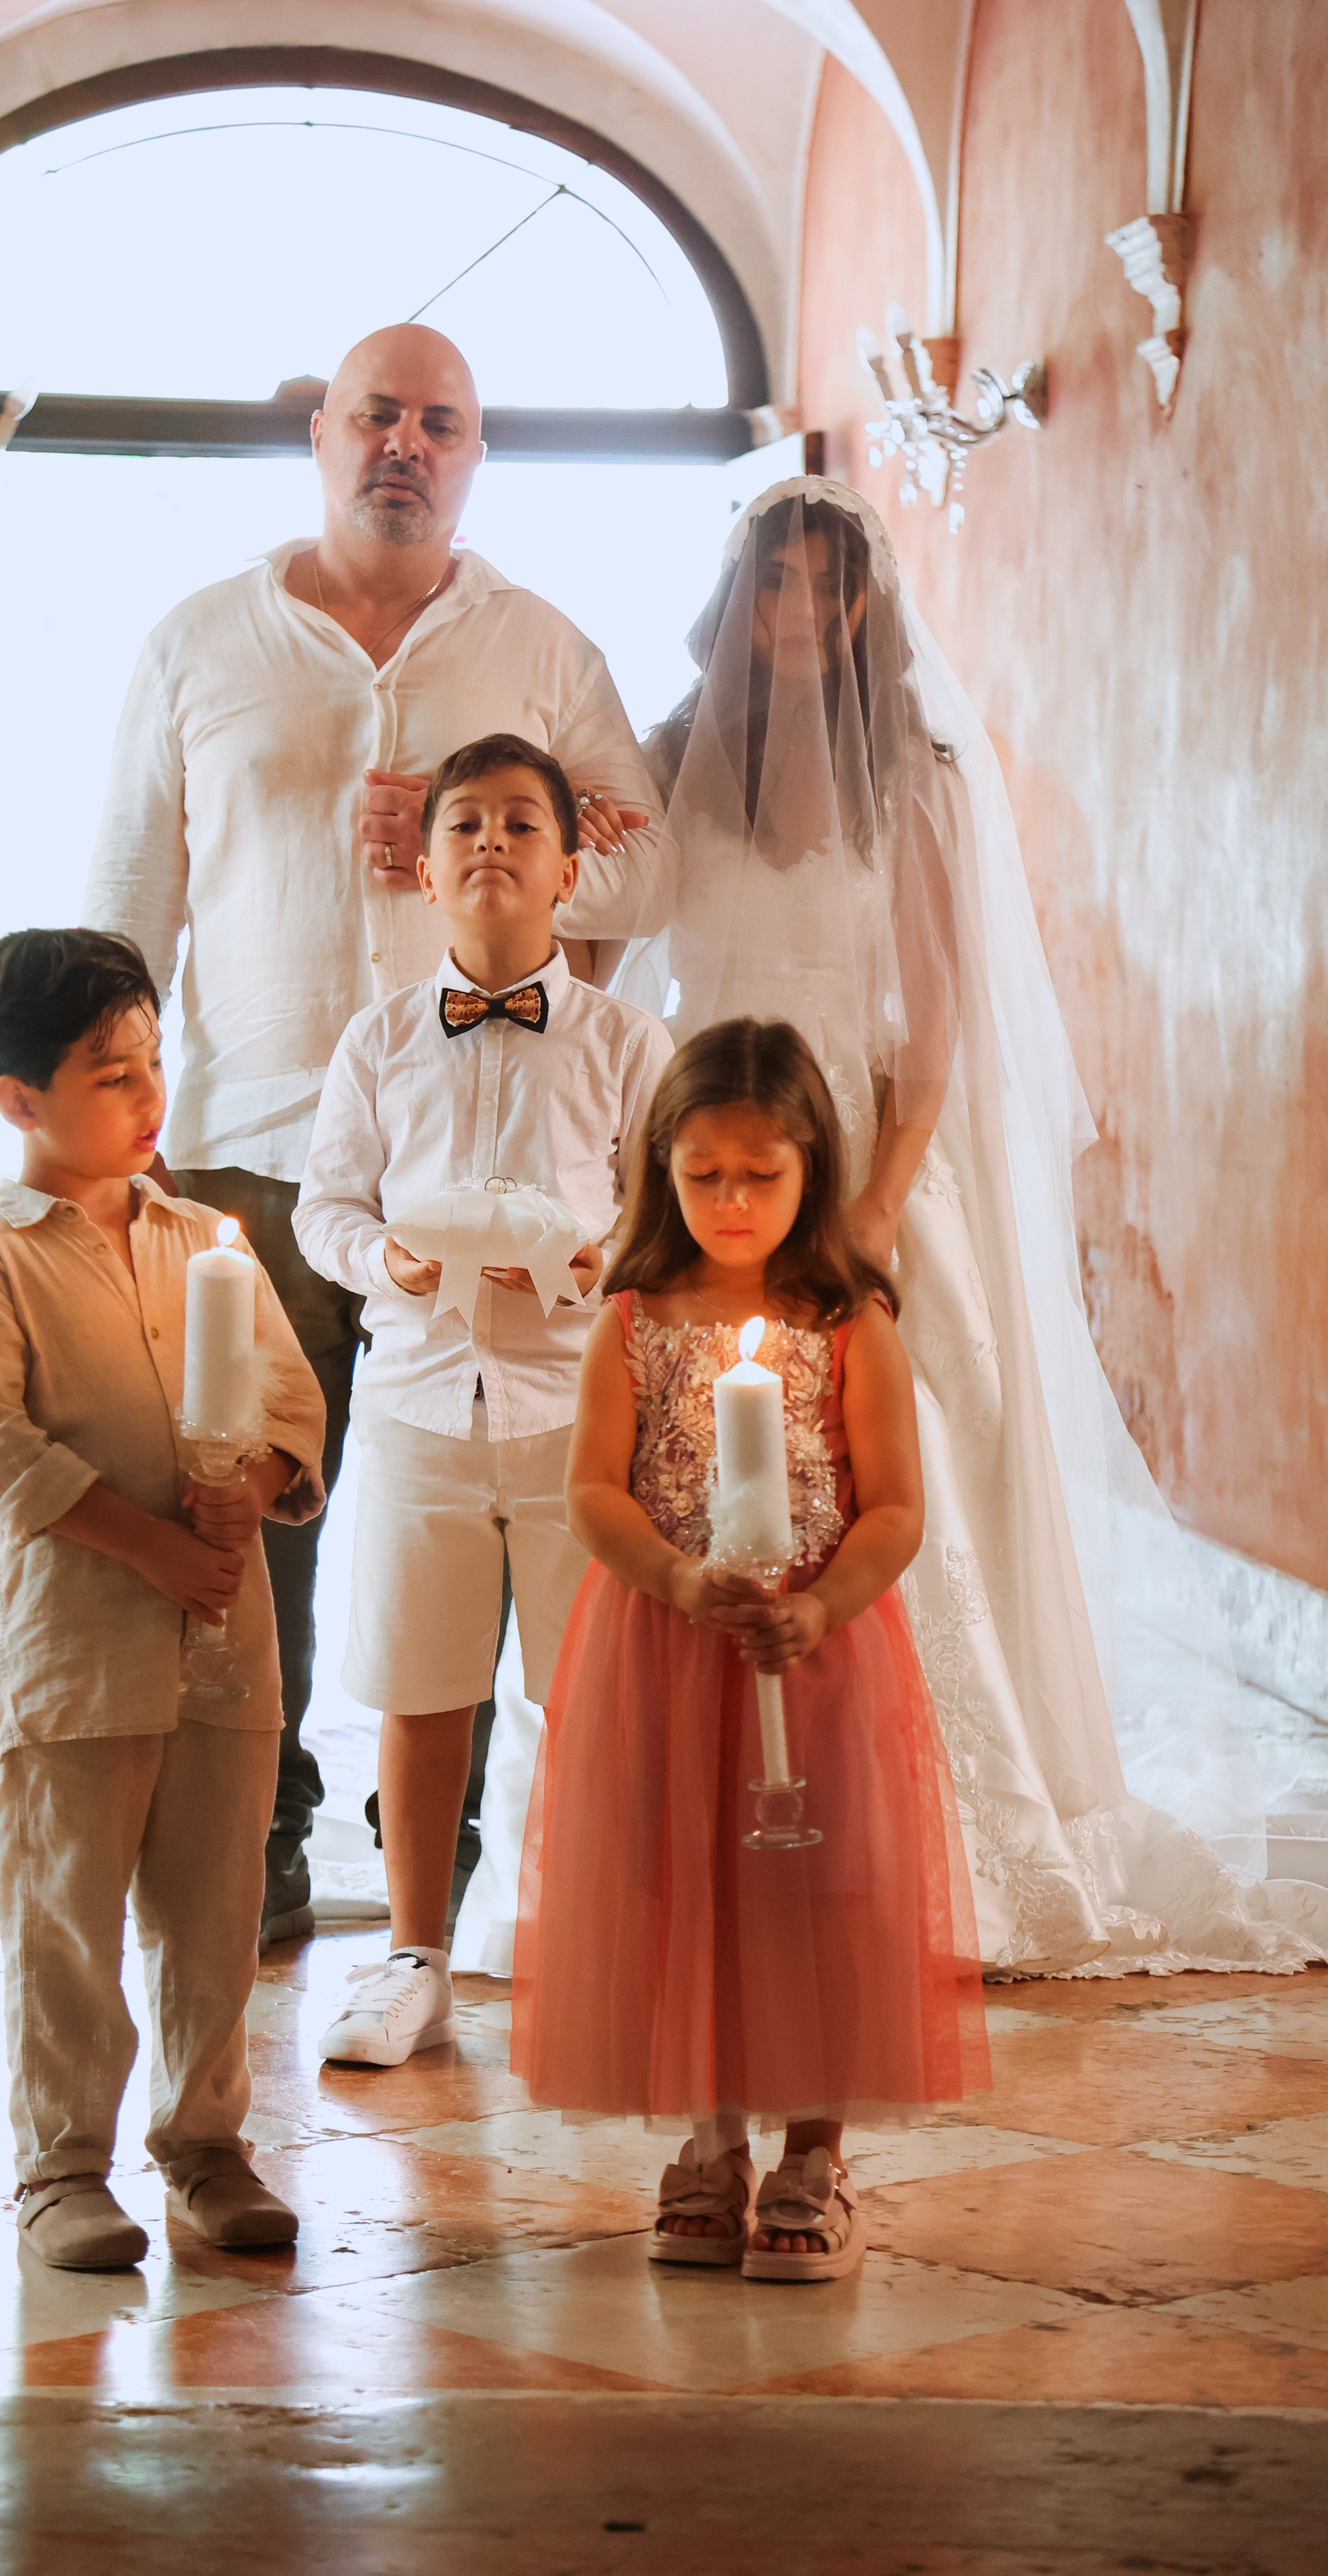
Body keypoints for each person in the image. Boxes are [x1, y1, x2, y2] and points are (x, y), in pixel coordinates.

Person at [621, 475, 1317, 1976]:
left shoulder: (915, 776)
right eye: (774, 585)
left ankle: (955, 1843)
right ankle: (728, 1816)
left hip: (861, 1153)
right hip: (710, 1153)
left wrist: (874, 1206)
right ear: (736, 599)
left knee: (907, 1462)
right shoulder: (674, 757)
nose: (798, 612)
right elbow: (605, 925)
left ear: (862, 604)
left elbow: (934, 1033)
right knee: (700, 1465)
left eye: (825, 586)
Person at [83, 323, 673, 1946]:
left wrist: (464, 830)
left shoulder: (541, 647)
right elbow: (129, 899)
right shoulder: (199, 641)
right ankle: (255, 1842)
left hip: (479, 1174)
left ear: (474, 453)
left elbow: (645, 874)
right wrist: (112, 1130)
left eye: (439, 422)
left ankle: (446, 1872)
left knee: (475, 1511)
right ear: (322, 437)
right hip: (248, 1150)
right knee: (250, 1502)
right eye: (374, 417)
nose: (403, 444)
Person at [512, 1019, 989, 2274]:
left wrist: (822, 1607)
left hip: (818, 1653)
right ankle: (711, 2137)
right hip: (662, 1648)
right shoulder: (633, 1318)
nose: (731, 1201)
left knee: (815, 1893)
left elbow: (894, 1507)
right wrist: (676, 1574)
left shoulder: (849, 1318)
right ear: (660, 1166)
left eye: (761, 1175)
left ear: (811, 1168)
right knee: (681, 1880)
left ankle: (814, 2156)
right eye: (703, 1173)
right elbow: (594, 1492)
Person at [0, 929, 327, 2269]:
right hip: (78, 1647)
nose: (147, 1095)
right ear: (19, 1099)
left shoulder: (201, 1236)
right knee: (65, 1911)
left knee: (214, 1913)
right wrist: (146, 1545)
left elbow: (284, 1394)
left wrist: (255, 1479)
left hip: (221, 1642)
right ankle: (61, 2166)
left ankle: (206, 2143)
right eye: (110, 1073)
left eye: (154, 1061)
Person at [293, 736, 672, 2068]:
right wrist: (381, 1257)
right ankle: (411, 1958)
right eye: (464, 825)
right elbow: (323, 1205)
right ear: (424, 868)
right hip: (410, 1403)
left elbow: (662, 1215)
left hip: (576, 1408)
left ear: (570, 869)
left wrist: (584, 1260)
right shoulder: (380, 1038)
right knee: (420, 1684)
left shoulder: (629, 1042)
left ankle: (598, 1944)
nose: (492, 844)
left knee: (589, 1689)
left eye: (522, 823)